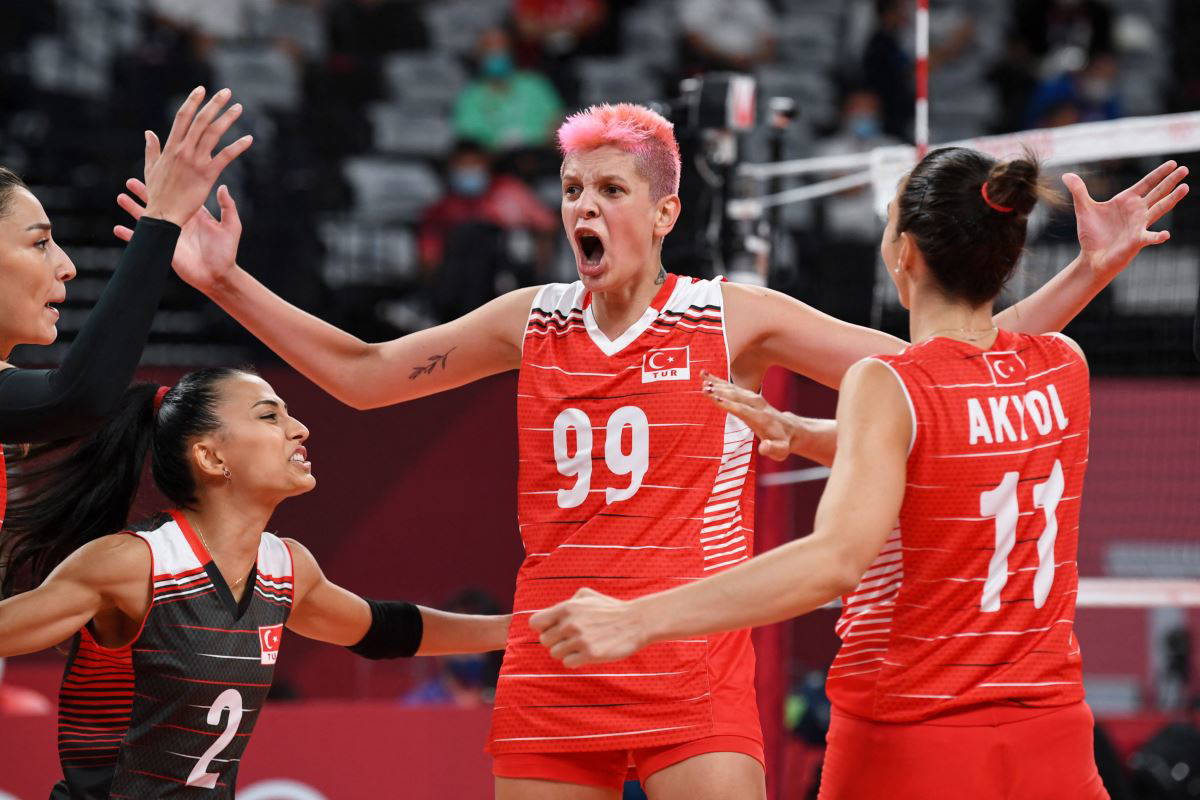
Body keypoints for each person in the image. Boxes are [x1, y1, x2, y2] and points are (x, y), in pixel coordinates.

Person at [112, 103, 1186, 799]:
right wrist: (222, 281)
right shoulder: (530, 319)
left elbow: (945, 367)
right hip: (558, 658)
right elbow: (363, 373)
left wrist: (1085, 274)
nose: (584, 206)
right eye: (573, 189)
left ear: (665, 209)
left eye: (611, 190)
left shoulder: (734, 314)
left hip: (691, 667)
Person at [529, 147, 1190, 798]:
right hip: (1051, 745)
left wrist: (638, 619)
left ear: (905, 254)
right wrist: (803, 434)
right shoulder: (1063, 365)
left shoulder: (888, 382)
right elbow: (947, 436)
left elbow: (834, 561)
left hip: (911, 742)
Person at [0, 367, 510, 798]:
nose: (300, 429)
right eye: (270, 416)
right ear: (211, 457)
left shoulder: (286, 568)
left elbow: (382, 629)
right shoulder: (134, 564)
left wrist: (516, 631)